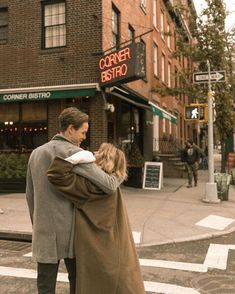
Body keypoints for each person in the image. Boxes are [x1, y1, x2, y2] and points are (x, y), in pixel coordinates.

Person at [26, 107, 120, 294]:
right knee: (77, 281)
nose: (84, 136)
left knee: (45, 285)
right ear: (71, 129)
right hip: (71, 232)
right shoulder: (74, 153)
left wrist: (37, 223)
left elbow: (30, 195)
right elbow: (109, 185)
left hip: (44, 228)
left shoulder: (36, 153)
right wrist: (118, 171)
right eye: (83, 132)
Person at [47, 143, 145, 294]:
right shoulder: (113, 184)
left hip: (91, 247)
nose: (94, 152)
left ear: (105, 158)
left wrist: (76, 160)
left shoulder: (87, 187)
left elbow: (55, 173)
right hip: (116, 246)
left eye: (99, 151)